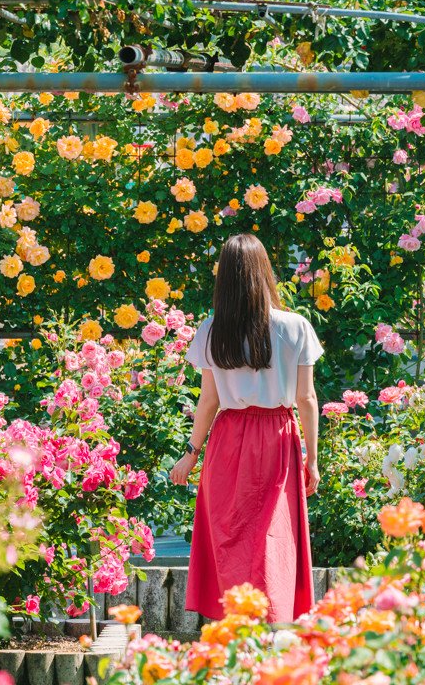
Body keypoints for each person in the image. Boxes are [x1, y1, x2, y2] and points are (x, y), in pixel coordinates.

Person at [170, 234, 322, 623]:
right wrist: (312, 459)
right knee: (274, 539)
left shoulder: (211, 329)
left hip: (229, 438)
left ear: (227, 279)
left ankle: (235, 630)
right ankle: (273, 632)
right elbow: (306, 398)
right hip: (278, 437)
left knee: (230, 536)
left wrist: (190, 454)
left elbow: (209, 401)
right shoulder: (296, 326)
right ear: (264, 272)